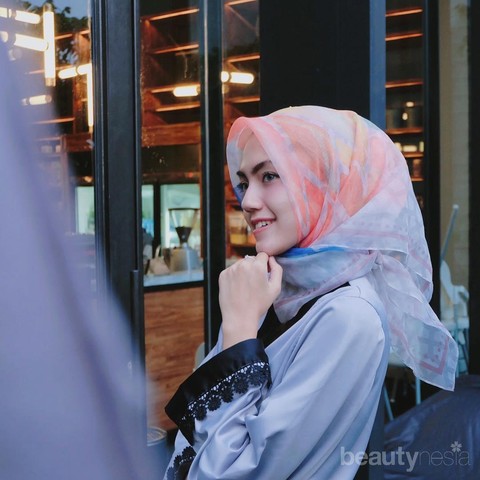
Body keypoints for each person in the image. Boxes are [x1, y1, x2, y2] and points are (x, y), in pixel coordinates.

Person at [163, 105, 458, 479]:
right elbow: (198, 439)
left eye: (270, 176)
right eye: (245, 182)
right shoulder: (273, 291)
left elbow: (232, 472)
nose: (248, 201)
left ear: (323, 186)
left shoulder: (349, 316)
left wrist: (238, 330)